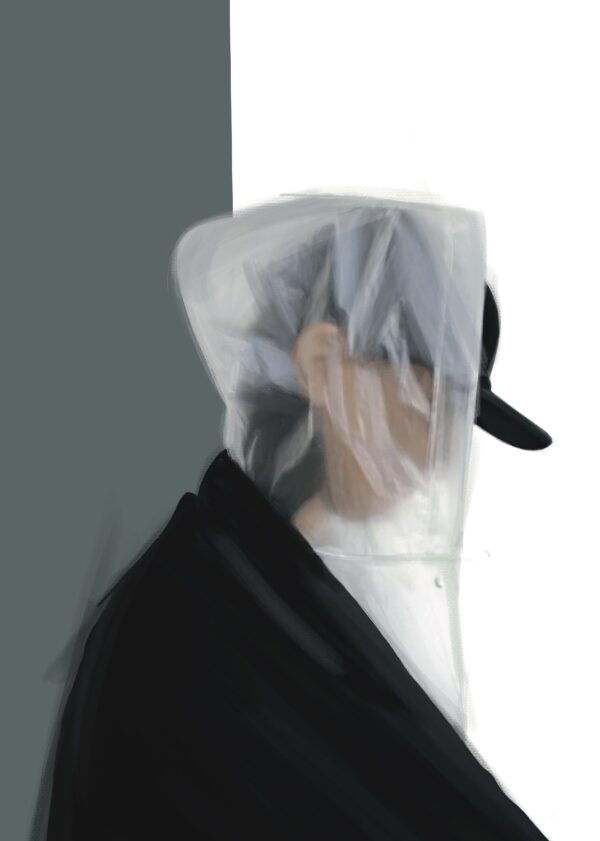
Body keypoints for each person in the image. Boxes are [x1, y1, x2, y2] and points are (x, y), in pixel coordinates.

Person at [43, 192, 553, 840]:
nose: (437, 457)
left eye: (453, 426)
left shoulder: (289, 589)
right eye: (426, 406)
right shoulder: (201, 618)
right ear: (321, 363)